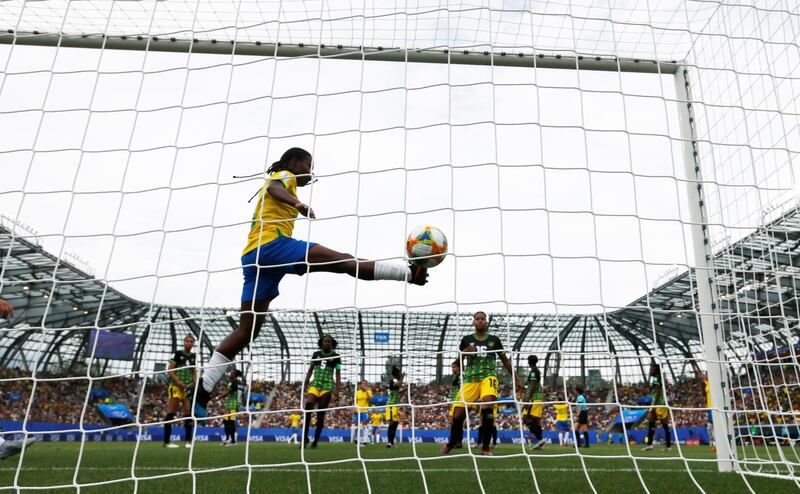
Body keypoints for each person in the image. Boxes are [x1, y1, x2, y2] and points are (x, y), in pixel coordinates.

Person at [190, 147, 429, 417]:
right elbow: (274, 188)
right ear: (294, 162)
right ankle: (409, 273)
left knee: (247, 331)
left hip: (253, 257)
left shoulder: (285, 180)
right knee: (343, 261)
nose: (310, 171)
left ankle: (201, 390)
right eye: (308, 164)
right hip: (273, 246)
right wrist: (297, 204)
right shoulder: (284, 175)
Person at [441, 311, 523, 456]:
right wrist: (463, 354)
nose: (480, 321)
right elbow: (456, 363)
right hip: (470, 379)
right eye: (477, 319)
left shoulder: (494, 340)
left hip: (488, 376)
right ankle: (452, 441)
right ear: (473, 322)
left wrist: (515, 377)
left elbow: (505, 360)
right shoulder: (466, 340)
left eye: (482, 319)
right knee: (458, 415)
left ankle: (485, 448)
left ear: (486, 322)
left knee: (487, 405)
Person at [302, 334, 341, 448]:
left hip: (327, 387)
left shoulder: (336, 356)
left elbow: (338, 374)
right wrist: (305, 382)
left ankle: (315, 442)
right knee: (308, 407)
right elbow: (310, 370)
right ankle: (305, 439)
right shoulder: (316, 354)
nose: (327, 343)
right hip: (315, 385)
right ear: (321, 343)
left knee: (320, 415)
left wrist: (337, 390)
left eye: (329, 341)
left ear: (332, 343)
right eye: (325, 341)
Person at [164, 335, 196, 448]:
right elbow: (170, 370)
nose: (189, 343)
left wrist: (195, 384)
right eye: (187, 341)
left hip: (187, 388)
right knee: (171, 412)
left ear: (193, 344)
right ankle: (167, 442)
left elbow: (193, 372)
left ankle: (188, 442)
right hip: (176, 387)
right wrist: (178, 382)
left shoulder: (193, 356)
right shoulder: (178, 353)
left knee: (188, 413)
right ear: (184, 342)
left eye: (191, 341)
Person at [643, 362, 672, 452]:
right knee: (651, 422)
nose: (650, 371)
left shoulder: (657, 377)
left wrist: (654, 406)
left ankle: (667, 446)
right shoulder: (656, 378)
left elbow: (658, 391)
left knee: (664, 424)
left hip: (660, 403)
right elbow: (650, 390)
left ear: (656, 370)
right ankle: (650, 445)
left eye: (651, 369)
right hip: (657, 403)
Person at [522, 355, 546, 450]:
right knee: (536, 421)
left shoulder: (533, 372)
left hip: (534, 398)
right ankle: (540, 442)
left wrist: (526, 400)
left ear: (529, 362)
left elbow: (532, 387)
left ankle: (540, 440)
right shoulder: (537, 371)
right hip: (539, 398)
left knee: (525, 419)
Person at [218, 368, 243, 446]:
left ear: (234, 374)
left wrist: (219, 397)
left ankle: (232, 441)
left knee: (230, 422)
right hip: (234, 404)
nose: (230, 374)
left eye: (231, 373)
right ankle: (228, 439)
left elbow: (228, 392)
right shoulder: (241, 383)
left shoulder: (232, 382)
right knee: (226, 421)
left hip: (231, 404)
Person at [385, 366, 404, 448]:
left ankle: (391, 443)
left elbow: (396, 392)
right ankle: (389, 442)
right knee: (392, 424)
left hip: (394, 405)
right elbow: (399, 384)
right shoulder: (393, 380)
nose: (400, 375)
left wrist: (405, 390)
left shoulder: (394, 382)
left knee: (395, 424)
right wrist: (403, 377)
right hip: (392, 405)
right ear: (396, 374)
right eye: (399, 373)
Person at [354, 380, 372, 445]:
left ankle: (365, 441)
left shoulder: (369, 391)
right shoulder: (357, 392)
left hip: (364, 411)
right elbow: (355, 401)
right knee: (356, 427)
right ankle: (356, 439)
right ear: (360, 385)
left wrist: (366, 390)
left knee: (364, 426)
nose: (364, 385)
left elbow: (369, 399)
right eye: (363, 384)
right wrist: (354, 408)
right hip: (357, 411)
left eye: (365, 384)